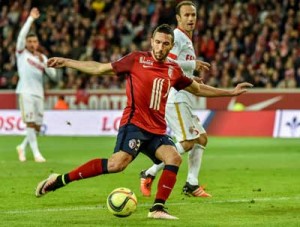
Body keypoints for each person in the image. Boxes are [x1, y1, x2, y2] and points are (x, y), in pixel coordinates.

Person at [35, 24, 252, 220]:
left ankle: (158, 208)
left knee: (174, 158)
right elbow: (100, 68)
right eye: (157, 42)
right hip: (135, 124)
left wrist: (230, 92)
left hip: (156, 129)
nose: (160, 47)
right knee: (116, 165)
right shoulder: (136, 59)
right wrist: (67, 62)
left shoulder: (173, 70)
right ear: (151, 41)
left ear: (171, 46)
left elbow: (197, 88)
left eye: (165, 44)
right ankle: (60, 179)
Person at [140, 1, 212, 198]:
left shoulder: (187, 39)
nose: (191, 18)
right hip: (175, 98)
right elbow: (166, 61)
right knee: (188, 141)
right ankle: (149, 172)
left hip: (184, 96)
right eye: (186, 15)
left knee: (201, 139)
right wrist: (193, 64)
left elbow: (176, 69)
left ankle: (191, 183)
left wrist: (190, 77)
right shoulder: (177, 37)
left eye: (193, 15)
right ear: (178, 19)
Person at [15, 8, 56, 163]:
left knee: (37, 127)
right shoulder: (21, 54)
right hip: (25, 92)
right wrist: (31, 19)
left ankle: (22, 146)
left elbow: (52, 76)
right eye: (30, 41)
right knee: (30, 123)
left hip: (39, 93)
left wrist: (45, 63)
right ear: (26, 43)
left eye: (35, 41)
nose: (32, 44)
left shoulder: (42, 57)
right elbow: (20, 36)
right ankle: (36, 153)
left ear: (38, 43)